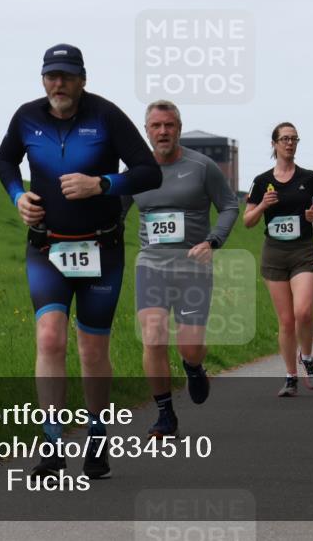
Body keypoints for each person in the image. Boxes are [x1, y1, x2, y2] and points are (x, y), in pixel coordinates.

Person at [0, 43, 162, 481]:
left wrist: (102, 184)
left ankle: (96, 434)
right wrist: (18, 197)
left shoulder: (106, 116)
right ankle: (52, 445)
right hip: (47, 248)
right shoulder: (26, 116)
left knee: (92, 349)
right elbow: (5, 159)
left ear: (83, 79)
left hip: (101, 250)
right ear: (43, 79)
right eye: (51, 75)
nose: (59, 84)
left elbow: (148, 171)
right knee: (50, 338)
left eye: (67, 76)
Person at [123, 100, 239, 438]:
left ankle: (193, 366)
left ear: (179, 128)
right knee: (153, 335)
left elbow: (230, 204)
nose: (163, 131)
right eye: (156, 126)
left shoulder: (201, 166)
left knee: (189, 346)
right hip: (152, 265)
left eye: (169, 125)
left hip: (193, 267)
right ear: (146, 131)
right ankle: (164, 414)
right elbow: (114, 213)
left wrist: (214, 241)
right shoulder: (135, 171)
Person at [244, 123, 313, 397]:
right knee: (285, 321)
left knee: (303, 312)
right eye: (284, 139)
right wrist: (262, 205)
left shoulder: (310, 177)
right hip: (274, 253)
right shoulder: (261, 181)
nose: (290, 143)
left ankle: (306, 358)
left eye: (294, 139)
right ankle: (290, 376)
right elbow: (247, 220)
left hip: (303, 250)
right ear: (274, 144)